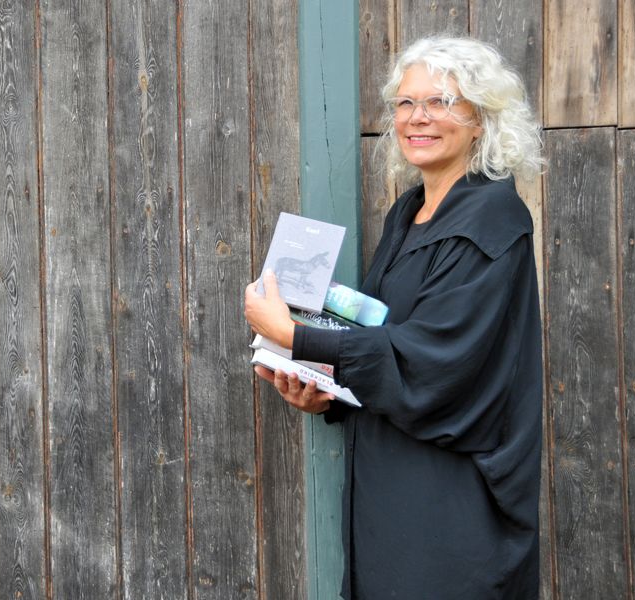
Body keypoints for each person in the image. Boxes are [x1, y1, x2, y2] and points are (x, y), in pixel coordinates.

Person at [244, 36, 544, 599]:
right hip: (388, 495)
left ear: (481, 120)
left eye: (440, 102)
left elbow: (433, 361)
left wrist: (294, 335)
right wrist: (325, 391)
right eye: (406, 103)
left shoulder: (490, 220)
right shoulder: (410, 212)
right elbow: (383, 336)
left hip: (450, 505)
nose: (417, 117)